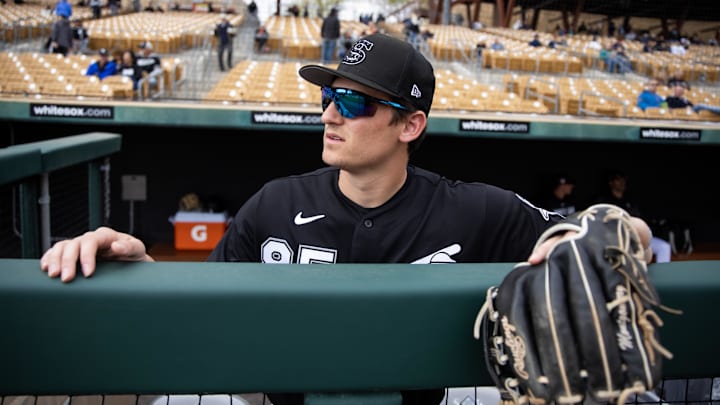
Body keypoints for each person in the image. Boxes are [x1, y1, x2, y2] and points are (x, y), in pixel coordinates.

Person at [39, 33, 655, 405]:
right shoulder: (274, 203)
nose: (330, 113)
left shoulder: (475, 209)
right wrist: (138, 268)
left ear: (410, 125)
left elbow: (600, 232)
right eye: (328, 97)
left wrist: (620, 226)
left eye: (355, 101)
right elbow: (204, 305)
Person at [593, 170, 671, 263]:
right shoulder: (604, 201)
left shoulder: (630, 200)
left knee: (664, 247)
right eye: (618, 180)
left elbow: (640, 220)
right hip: (615, 239)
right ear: (611, 183)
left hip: (636, 236)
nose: (622, 182)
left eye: (623, 179)